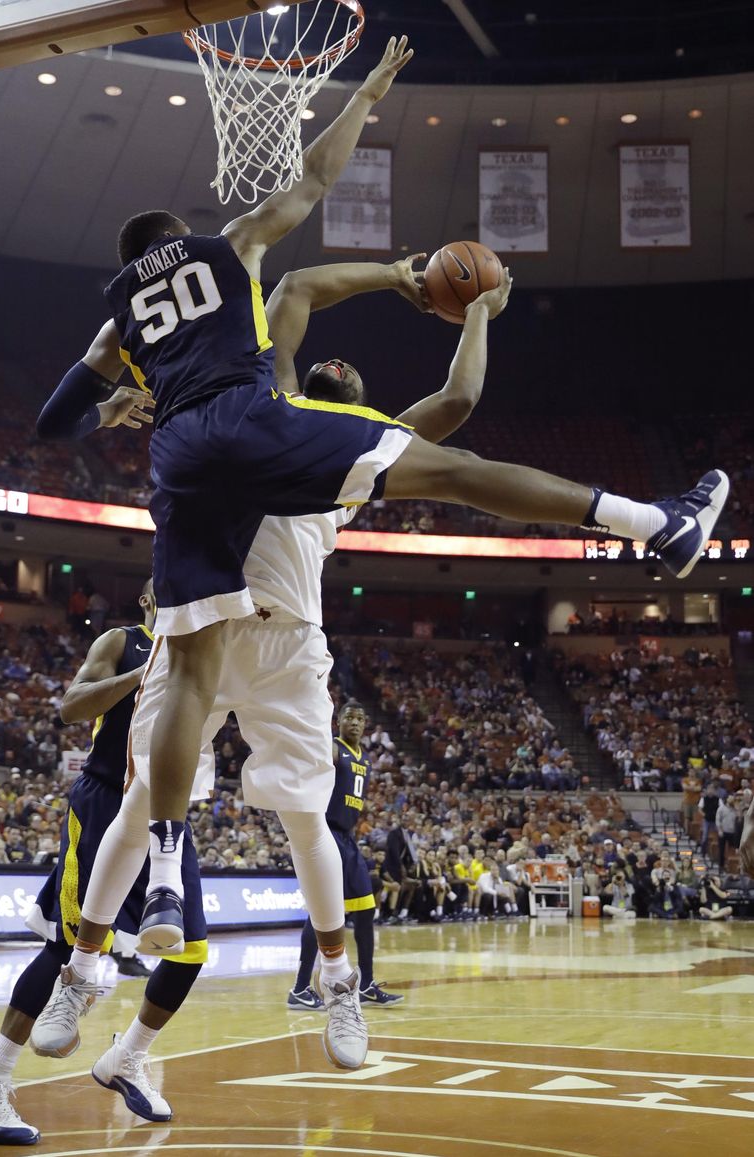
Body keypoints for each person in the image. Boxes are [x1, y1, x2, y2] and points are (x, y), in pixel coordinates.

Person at [36, 31, 728, 965]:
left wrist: (126, 398)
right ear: (180, 241)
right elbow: (312, 206)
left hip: (185, 463)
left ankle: (168, 891)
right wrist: (368, 104)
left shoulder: (127, 320)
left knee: (189, 690)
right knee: (451, 472)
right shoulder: (230, 263)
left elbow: (54, 419)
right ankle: (653, 522)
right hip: (252, 440)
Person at [28, 253, 510, 1074]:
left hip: (288, 639)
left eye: (347, 378)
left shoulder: (363, 451)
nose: (337, 370)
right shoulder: (257, 404)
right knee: (145, 798)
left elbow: (459, 401)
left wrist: (476, 312)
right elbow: (289, 296)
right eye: (327, 368)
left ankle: (340, 984)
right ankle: (79, 972)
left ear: (354, 407)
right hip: (202, 625)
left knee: (304, 821)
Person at [0, 579, 210, 1144]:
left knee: (188, 952)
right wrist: (146, 676)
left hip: (166, 807)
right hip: (104, 802)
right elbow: (71, 707)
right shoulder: (122, 641)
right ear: (144, 599)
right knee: (66, 947)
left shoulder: (203, 646)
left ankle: (127, 1057)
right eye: (162, 587)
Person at [288, 702, 404, 1012]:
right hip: (325, 833)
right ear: (338, 722)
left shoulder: (364, 757)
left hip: (347, 840)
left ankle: (366, 985)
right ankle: (299, 988)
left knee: (366, 910)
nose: (354, 722)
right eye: (348, 717)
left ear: (366, 724)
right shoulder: (333, 747)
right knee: (321, 912)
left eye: (359, 718)